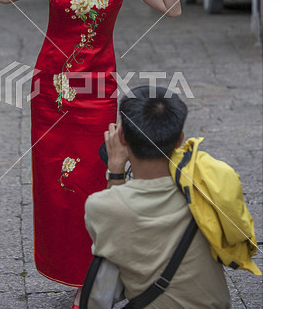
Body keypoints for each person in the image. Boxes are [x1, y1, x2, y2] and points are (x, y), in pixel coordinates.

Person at [0, 0, 181, 308]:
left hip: (98, 91)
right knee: (57, 187)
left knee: (98, 184)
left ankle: (92, 279)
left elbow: (171, 8)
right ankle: (70, 270)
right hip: (51, 91)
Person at [85, 86, 231, 308]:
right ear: (180, 139)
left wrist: (115, 169)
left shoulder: (100, 206)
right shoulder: (209, 188)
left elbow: (112, 234)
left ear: (121, 136)